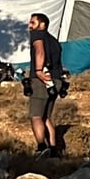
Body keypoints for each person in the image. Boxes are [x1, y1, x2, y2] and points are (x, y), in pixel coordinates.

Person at [28, 13, 63, 158]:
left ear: (42, 25)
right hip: (56, 80)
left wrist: (38, 71)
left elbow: (40, 51)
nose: (29, 26)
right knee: (46, 117)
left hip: (42, 81)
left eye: (33, 22)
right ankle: (54, 149)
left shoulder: (38, 35)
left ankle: (41, 147)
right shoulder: (54, 41)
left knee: (35, 116)